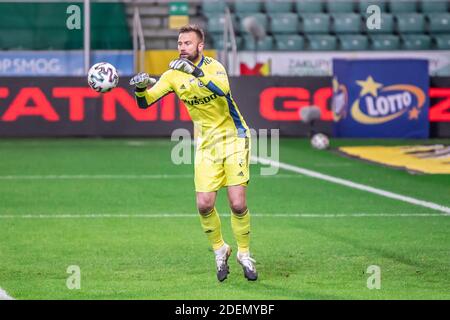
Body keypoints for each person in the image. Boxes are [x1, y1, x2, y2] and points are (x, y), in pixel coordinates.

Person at [129, 25, 257, 281]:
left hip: (234, 137)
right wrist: (141, 88)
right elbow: (145, 104)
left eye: (187, 43)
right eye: (179, 43)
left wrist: (195, 72)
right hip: (206, 144)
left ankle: (244, 253)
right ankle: (220, 249)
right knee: (204, 204)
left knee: (237, 203)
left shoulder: (214, 66)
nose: (182, 47)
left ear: (200, 46)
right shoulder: (172, 75)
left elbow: (221, 89)